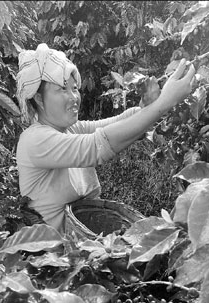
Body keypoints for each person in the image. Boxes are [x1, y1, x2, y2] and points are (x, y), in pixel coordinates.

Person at [16, 43, 195, 234]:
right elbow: (97, 146)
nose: (73, 97)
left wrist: (147, 106)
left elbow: (115, 124)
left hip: (84, 248)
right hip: (52, 258)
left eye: (74, 88)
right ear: (38, 98)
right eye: (62, 89)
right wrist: (165, 102)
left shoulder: (71, 129)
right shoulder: (34, 140)